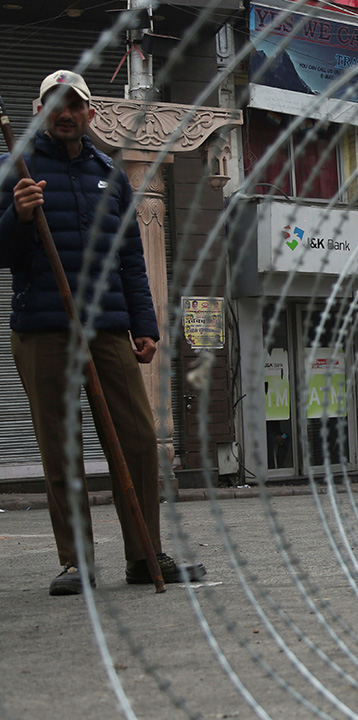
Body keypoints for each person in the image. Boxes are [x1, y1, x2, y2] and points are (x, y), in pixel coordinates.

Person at [0, 70, 205, 594]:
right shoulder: (14, 169)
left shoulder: (109, 174)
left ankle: (145, 556)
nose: (64, 113)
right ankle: (77, 564)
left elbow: (131, 259)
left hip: (108, 328)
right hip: (44, 329)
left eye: (75, 104)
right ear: (40, 111)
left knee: (137, 440)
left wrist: (144, 323)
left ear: (91, 114)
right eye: (55, 104)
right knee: (61, 446)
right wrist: (17, 217)